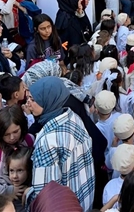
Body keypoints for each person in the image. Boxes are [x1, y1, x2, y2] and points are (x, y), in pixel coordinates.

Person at [26, 77, 95, 210]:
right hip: (84, 198)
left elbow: (45, 192)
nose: (28, 103)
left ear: (49, 100)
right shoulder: (73, 118)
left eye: (33, 100)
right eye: (28, 98)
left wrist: (29, 194)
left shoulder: (48, 141)